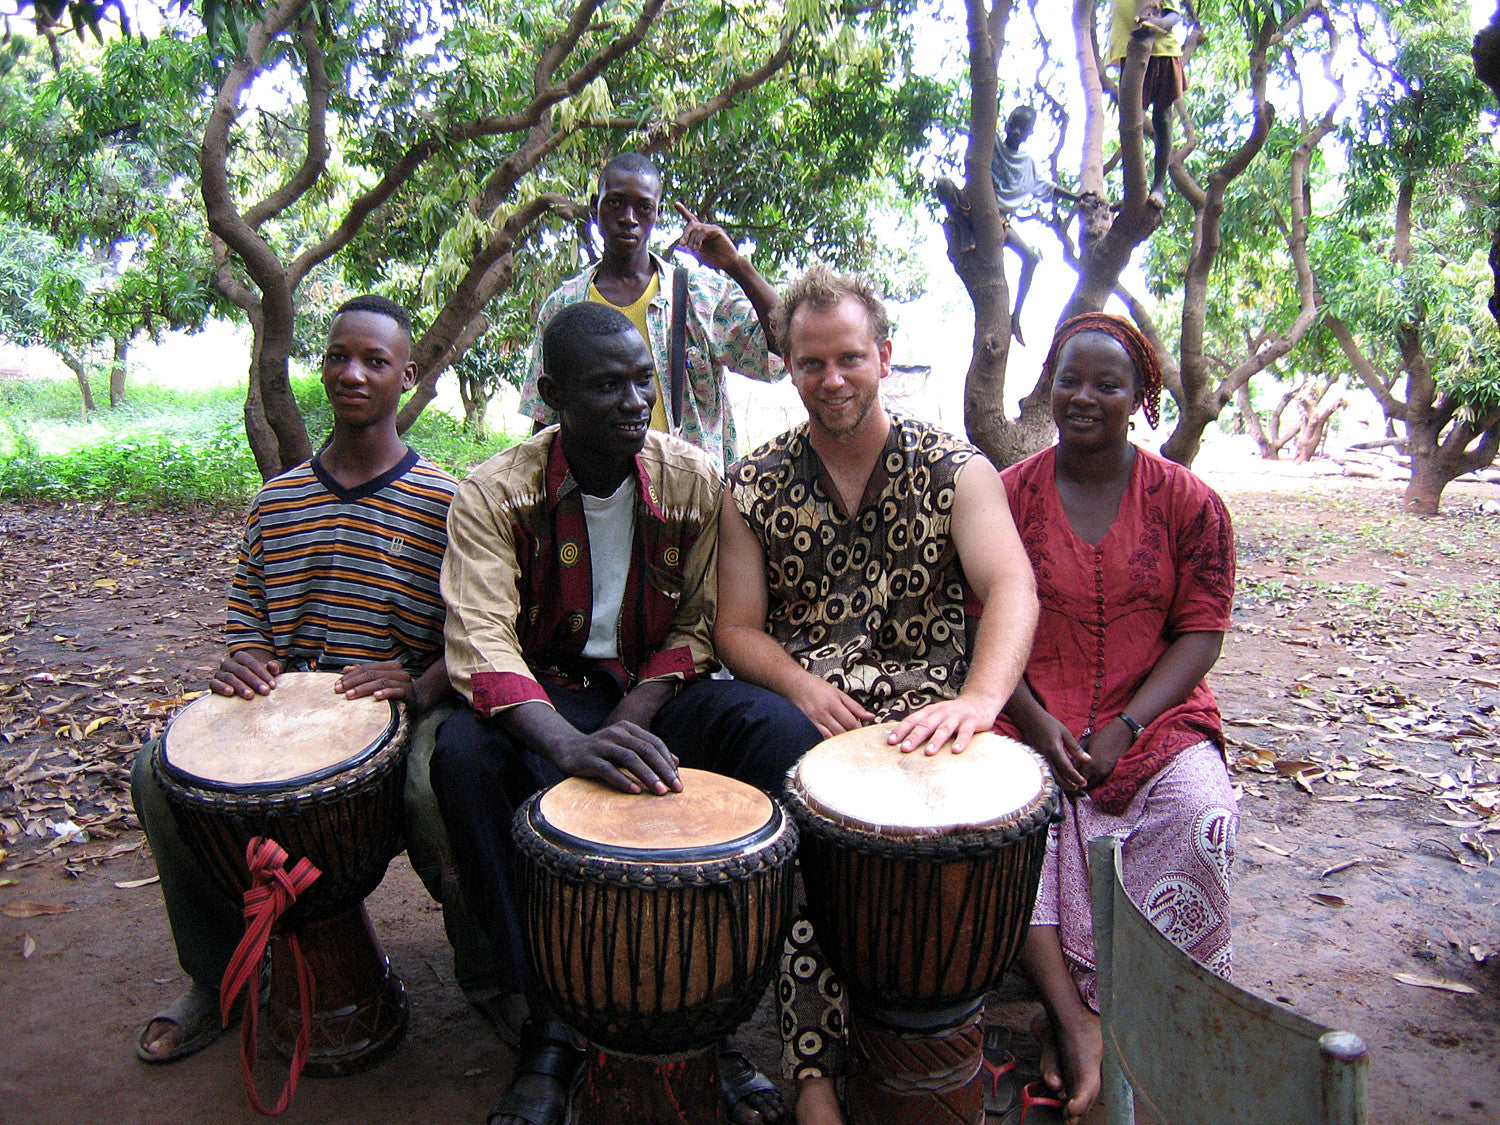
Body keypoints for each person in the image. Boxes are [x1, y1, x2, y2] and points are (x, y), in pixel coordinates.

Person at [432, 301, 820, 1125]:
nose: (632, 399)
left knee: (781, 733)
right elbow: (482, 643)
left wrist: (631, 720)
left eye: (641, 379)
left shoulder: (689, 478)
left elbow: (700, 622)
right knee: (462, 758)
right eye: (606, 384)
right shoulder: (493, 492)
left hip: (651, 693)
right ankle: (549, 1022)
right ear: (551, 394)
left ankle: (711, 1004)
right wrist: (571, 746)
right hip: (551, 698)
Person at [714, 263, 1040, 1123]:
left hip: (929, 708)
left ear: (885, 356)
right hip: (814, 714)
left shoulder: (953, 467)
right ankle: (814, 1073)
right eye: (812, 362)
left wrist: (977, 701)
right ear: (787, 364)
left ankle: (920, 1036)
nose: (832, 380)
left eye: (850, 358)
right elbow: (737, 628)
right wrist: (800, 686)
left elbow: (1012, 586)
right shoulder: (752, 485)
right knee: (808, 838)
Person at [130, 295, 459, 1062]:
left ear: (405, 376)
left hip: (402, 708)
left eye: (374, 361)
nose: (352, 373)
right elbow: (249, 613)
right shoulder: (277, 501)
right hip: (286, 720)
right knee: (155, 773)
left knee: (434, 789)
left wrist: (418, 685)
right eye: (339, 355)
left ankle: (492, 978)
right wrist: (243, 657)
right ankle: (215, 981)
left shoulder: (445, 499)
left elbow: (476, 636)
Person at [998, 311, 1238, 1122]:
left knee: (1203, 814)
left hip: (1155, 720)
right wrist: (1036, 723)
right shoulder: (1008, 497)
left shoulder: (1188, 502)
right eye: (1071, 378)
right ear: (1050, 385)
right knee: (1014, 830)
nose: (1085, 396)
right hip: (1031, 718)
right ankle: (1078, 1023)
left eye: (1108, 382)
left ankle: (1145, 1009)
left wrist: (1128, 725)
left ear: (1142, 397)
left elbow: (1200, 629)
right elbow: (980, 620)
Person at [519, 151, 783, 474]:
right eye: (615, 202)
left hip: (689, 499)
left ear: (658, 213)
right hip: (596, 495)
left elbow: (783, 351)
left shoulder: (701, 297)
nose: (628, 217)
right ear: (594, 206)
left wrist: (737, 266)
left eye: (643, 207)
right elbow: (545, 420)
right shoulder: (564, 307)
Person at [935, 106, 1082, 345]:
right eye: (1013, 124)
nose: (1016, 130)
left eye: (1022, 128)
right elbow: (967, 129)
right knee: (943, 184)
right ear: (1005, 123)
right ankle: (963, 229)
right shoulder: (989, 142)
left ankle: (1016, 317)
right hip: (970, 206)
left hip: (999, 220)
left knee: (1032, 258)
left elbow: (1047, 188)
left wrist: (1077, 197)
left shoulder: (1027, 165)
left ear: (1029, 133)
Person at [1107, 1, 1193, 208]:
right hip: (1129, 54)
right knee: (1130, 122)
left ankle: (1159, 187)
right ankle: (1134, 190)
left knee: (1162, 117)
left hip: (1162, 52)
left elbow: (1174, 15)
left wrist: (1159, 22)